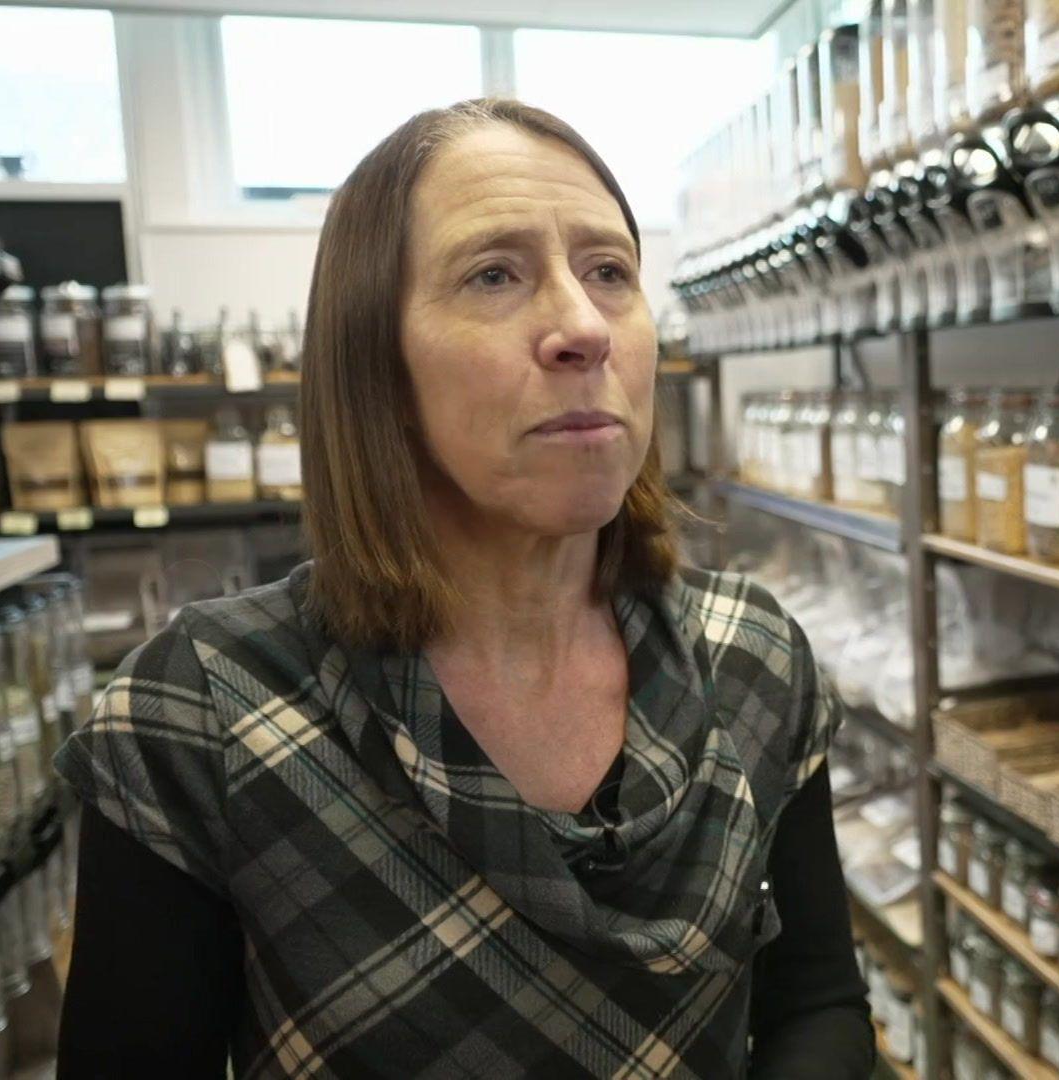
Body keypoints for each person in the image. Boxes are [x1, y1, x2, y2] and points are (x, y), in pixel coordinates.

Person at [53, 99, 874, 1079]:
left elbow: (816, 1000)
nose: (582, 327)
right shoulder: (201, 713)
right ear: (376, 364)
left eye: (611, 272)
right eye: (494, 275)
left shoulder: (757, 658)